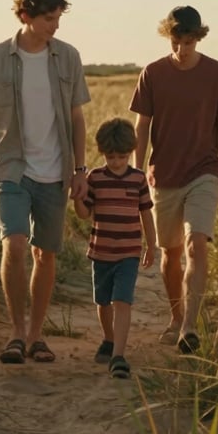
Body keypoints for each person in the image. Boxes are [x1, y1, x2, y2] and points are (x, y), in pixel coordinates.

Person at [0, 0, 90, 364]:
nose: (55, 25)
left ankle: (37, 337)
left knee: (45, 253)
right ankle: (16, 333)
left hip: (55, 170)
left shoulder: (68, 57)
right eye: (48, 18)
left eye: (58, 18)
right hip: (10, 166)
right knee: (15, 244)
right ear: (26, 16)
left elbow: (77, 118)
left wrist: (80, 169)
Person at [130, 6, 218, 354]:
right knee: (169, 254)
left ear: (199, 38)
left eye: (189, 42)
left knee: (197, 244)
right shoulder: (153, 73)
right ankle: (176, 318)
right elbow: (142, 125)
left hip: (204, 171)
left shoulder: (217, 73)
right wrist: (135, 172)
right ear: (169, 37)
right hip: (163, 175)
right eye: (177, 42)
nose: (182, 49)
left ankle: (190, 326)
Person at [74, 118, 156, 379]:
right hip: (101, 251)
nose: (117, 162)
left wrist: (151, 245)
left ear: (130, 152)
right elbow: (85, 213)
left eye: (122, 157)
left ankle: (119, 355)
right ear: (103, 154)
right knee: (103, 301)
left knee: (123, 300)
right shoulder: (95, 178)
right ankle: (108, 339)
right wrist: (76, 197)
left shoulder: (138, 178)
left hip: (129, 252)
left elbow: (146, 214)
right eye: (111, 157)